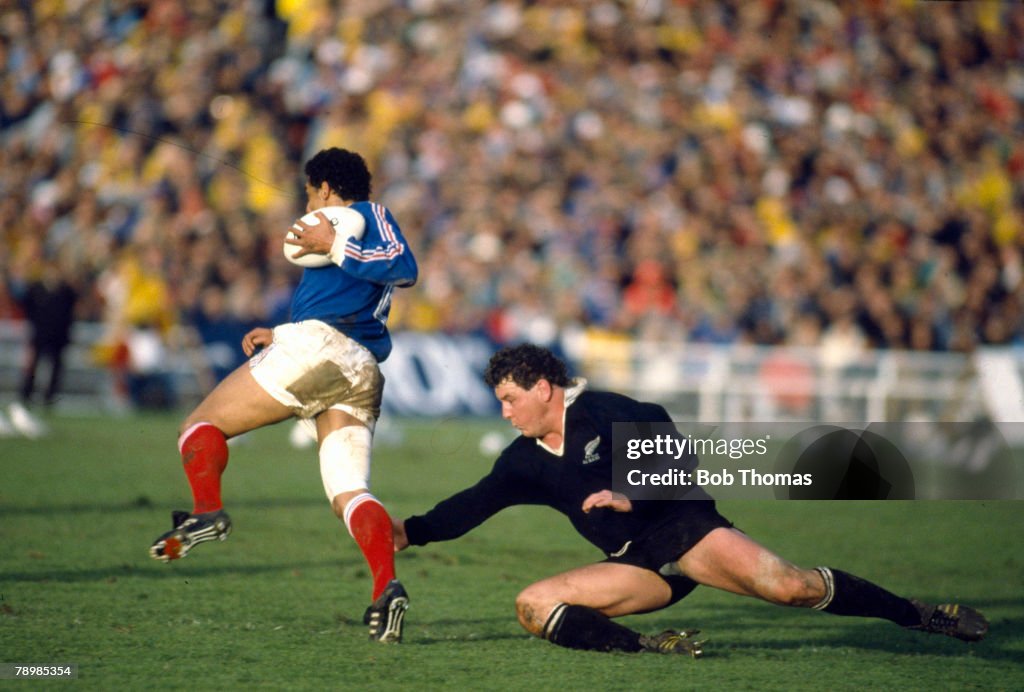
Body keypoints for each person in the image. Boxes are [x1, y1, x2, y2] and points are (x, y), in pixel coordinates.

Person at [392, 343, 989, 655]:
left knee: (790, 587)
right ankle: (654, 649)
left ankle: (920, 615)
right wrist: (410, 532)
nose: (504, 410)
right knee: (534, 605)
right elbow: (473, 504)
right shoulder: (523, 459)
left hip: (685, 532)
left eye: (509, 398)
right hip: (636, 563)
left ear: (543, 388)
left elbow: (675, 454)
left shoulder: (608, 411)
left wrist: (629, 491)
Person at [149, 147, 418, 643]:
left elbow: (405, 266)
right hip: (358, 369)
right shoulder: (350, 226)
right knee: (349, 494)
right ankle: (387, 588)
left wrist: (333, 241)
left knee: (199, 425)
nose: (309, 203)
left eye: (311, 192)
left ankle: (207, 509)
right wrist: (283, 331)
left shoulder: (364, 214)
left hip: (322, 351)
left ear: (327, 189)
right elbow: (341, 299)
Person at [7, 257, 79, 437]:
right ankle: (26, 395)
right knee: (33, 366)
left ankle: (49, 397)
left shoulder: (66, 290)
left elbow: (72, 310)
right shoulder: (37, 288)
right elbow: (26, 307)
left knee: (55, 368)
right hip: (39, 334)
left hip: (58, 336)